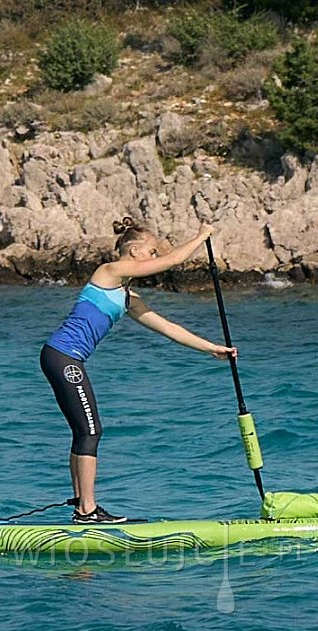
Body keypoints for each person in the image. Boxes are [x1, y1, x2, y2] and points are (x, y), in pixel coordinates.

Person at [41, 217, 237, 524]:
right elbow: (171, 261)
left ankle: (82, 503)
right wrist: (201, 237)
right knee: (91, 431)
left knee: (83, 431)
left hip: (65, 359)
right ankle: (87, 511)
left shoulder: (127, 297)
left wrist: (212, 348)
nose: (154, 257)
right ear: (133, 250)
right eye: (151, 251)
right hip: (63, 357)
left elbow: (169, 328)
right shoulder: (109, 272)